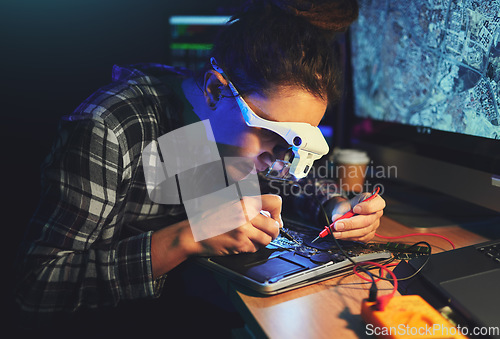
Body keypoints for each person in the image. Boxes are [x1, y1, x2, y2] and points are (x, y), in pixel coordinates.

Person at [14, 0, 385, 336]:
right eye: (273, 136)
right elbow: (37, 290)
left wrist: (337, 206)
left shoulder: (215, 121)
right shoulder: (112, 127)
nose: (279, 161)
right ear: (214, 89)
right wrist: (188, 237)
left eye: (292, 146)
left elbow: (293, 182)